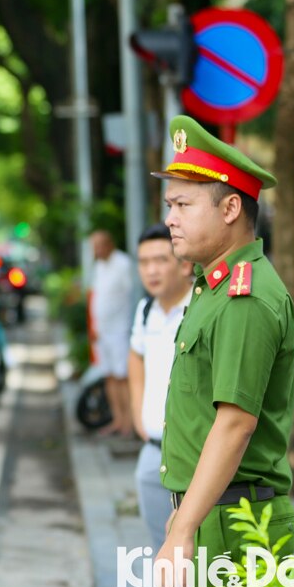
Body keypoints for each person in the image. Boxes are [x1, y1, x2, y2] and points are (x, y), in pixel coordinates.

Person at [152, 115, 294, 587]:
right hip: (213, 512)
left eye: (183, 205)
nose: (170, 217)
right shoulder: (213, 288)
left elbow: (235, 423)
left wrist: (184, 527)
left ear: (231, 207)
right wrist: (186, 516)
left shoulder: (245, 297)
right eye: (170, 205)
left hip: (235, 527)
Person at [128, 223, 194, 553]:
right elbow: (135, 356)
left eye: (160, 260)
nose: (151, 270)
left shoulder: (200, 309)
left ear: (184, 263)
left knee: (199, 554)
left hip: (192, 457)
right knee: (162, 550)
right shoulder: (145, 311)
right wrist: (139, 416)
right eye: (143, 262)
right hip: (153, 449)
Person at [88, 229, 134, 436]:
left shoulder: (123, 263)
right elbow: (97, 296)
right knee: (109, 377)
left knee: (122, 377)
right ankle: (117, 420)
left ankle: (130, 423)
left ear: (108, 244)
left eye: (98, 245)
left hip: (119, 330)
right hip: (102, 330)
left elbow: (129, 295)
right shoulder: (99, 266)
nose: (95, 250)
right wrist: (94, 327)